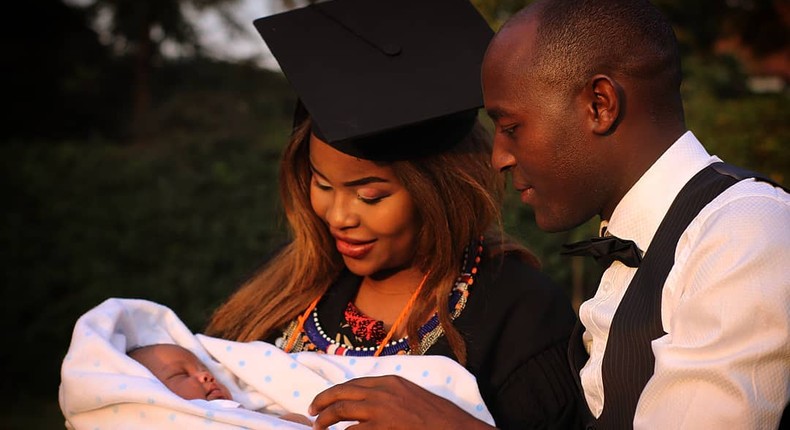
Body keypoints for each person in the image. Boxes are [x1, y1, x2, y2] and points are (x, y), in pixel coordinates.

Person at [308, 0, 790, 429]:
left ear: (599, 105)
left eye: (512, 126)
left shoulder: (743, 230)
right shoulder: (638, 241)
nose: (499, 157)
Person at [204, 0, 581, 428]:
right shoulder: (286, 289)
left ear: (440, 192)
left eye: (369, 195)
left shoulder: (520, 315)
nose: (338, 216)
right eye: (322, 185)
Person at [128, 343, 314, 426]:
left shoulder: (234, 411)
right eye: (181, 374)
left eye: (203, 368)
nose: (205, 375)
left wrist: (291, 421)